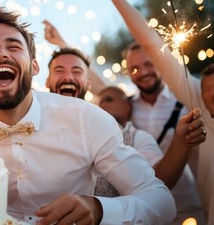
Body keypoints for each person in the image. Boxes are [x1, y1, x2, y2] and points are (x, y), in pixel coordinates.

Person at [0, 7, 176, 224]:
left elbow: (161, 200)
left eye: (13, 46)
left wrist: (99, 209)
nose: (1, 53)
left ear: (34, 67)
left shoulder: (86, 119)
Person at [44, 19, 206, 224]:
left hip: (179, 209)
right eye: (135, 68)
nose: (102, 106)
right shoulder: (42, 125)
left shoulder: (180, 104)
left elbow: (157, 184)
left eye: (149, 64)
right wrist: (60, 42)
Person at [97, 0, 214, 222]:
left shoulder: (187, 100)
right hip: (146, 209)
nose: (143, 72)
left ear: (160, 63)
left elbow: (151, 41)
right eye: (135, 68)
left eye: (150, 64)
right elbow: (100, 90)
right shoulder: (127, 107)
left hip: (190, 209)